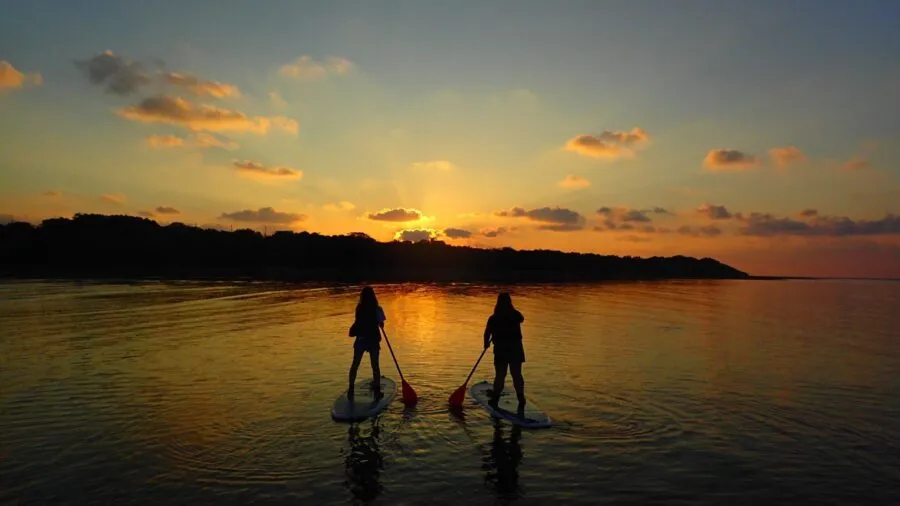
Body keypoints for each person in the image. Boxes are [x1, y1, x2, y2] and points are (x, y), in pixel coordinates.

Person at [483, 292, 526, 414]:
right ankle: (521, 398)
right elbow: (521, 318)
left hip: (502, 349)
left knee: (500, 375)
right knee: (516, 374)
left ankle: (495, 399)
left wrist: (486, 343)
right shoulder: (515, 315)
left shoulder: (494, 318)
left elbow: (487, 333)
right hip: (515, 349)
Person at [348, 286, 386, 401]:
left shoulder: (359, 308)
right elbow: (382, 325)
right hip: (373, 340)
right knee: (375, 366)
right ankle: (377, 389)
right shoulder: (377, 309)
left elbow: (358, 321)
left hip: (361, 339)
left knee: (355, 364)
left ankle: (351, 388)